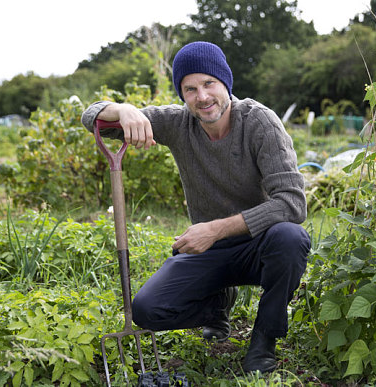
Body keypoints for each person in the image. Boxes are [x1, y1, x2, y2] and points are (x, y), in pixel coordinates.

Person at [81, 41, 310, 374]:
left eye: (209, 84)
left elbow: (292, 202)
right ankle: (217, 305)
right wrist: (125, 109)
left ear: (225, 84)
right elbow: (92, 118)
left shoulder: (260, 123)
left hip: (260, 246)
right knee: (147, 310)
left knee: (291, 239)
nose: (202, 96)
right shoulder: (178, 123)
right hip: (209, 252)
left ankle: (264, 341)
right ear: (182, 95)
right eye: (190, 88)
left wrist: (215, 228)